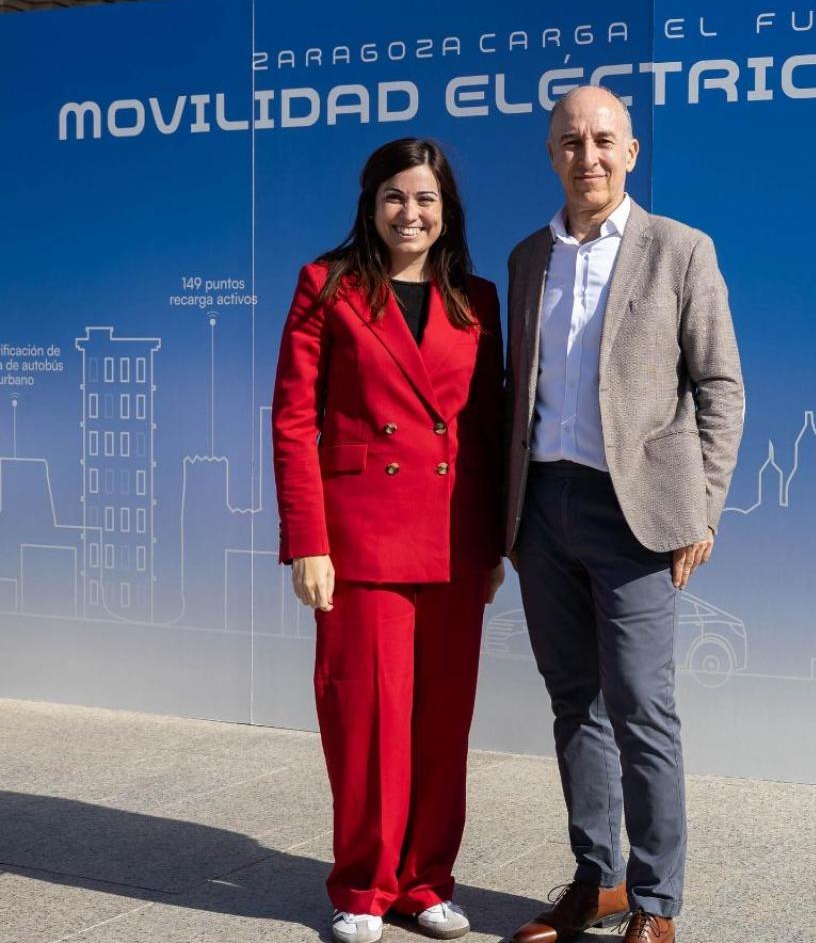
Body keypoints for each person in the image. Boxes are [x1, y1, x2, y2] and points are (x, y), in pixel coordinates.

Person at [504, 86, 744, 943]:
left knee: (641, 704)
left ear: (632, 153)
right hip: (542, 509)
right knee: (575, 701)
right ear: (551, 154)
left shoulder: (680, 251)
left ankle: (656, 900)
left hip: (637, 515)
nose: (588, 156)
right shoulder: (529, 257)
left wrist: (702, 507)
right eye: (570, 141)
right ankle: (597, 878)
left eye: (604, 140)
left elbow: (719, 386)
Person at [272, 138, 506, 943]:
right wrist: (308, 540)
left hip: (452, 542)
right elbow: (294, 420)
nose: (412, 213)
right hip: (360, 539)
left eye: (427, 200)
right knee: (367, 719)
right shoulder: (327, 285)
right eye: (396, 198)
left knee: (443, 722)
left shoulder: (476, 298)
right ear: (370, 206)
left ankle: (425, 881)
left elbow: (488, 426)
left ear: (448, 213)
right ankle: (364, 887)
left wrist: (495, 545)